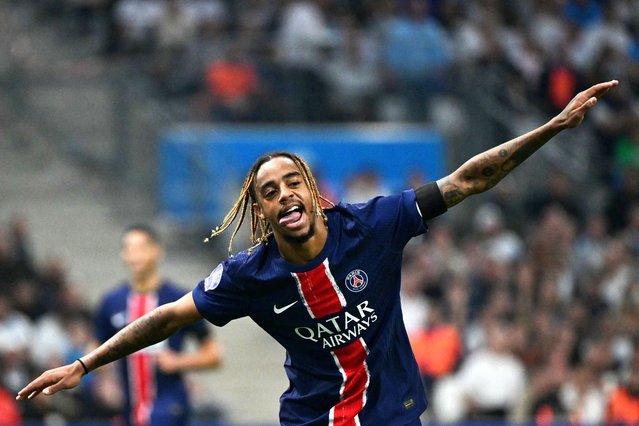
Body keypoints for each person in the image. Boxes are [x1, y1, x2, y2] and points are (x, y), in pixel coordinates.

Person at [17, 80, 618, 425]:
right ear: (262, 213)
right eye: (268, 193)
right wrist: (85, 365)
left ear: (313, 190)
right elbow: (171, 316)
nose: (283, 196)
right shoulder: (250, 273)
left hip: (392, 410)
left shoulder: (374, 224)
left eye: (291, 183)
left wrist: (551, 127)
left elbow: (466, 181)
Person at [92, 224, 222, 426]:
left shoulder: (179, 299)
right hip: (127, 407)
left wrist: (179, 362)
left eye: (141, 248)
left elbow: (214, 355)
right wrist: (105, 378)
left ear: (157, 252)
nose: (134, 255)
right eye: (128, 249)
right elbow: (94, 348)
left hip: (169, 404)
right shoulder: (112, 302)